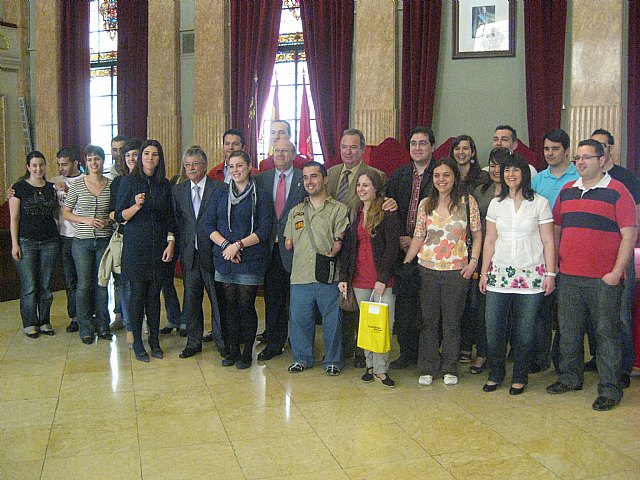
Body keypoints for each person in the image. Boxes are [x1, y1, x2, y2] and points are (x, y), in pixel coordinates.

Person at [547, 139, 637, 411]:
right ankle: (570, 377)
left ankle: (610, 389)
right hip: (569, 276)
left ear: (602, 159)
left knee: (606, 334)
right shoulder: (567, 191)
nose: (581, 162)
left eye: (588, 157)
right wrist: (557, 265)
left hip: (604, 279)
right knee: (569, 331)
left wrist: (616, 272)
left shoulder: (618, 192)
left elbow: (629, 235)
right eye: (578, 158)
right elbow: (557, 230)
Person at [479, 154, 556, 395]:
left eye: (516, 170)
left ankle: (520, 375)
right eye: (507, 170)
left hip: (531, 275)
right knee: (493, 329)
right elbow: (490, 240)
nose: (511, 175)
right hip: (498, 275)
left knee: (524, 331)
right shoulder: (496, 203)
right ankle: (495, 373)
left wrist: (551, 273)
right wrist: (483, 272)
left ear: (525, 174)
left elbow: (548, 241)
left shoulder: (540, 203)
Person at [402, 158, 482, 386]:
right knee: (428, 321)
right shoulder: (426, 203)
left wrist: (473, 262)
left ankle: (450, 366)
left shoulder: (467, 202)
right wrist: (407, 265)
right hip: (427, 269)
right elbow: (419, 236)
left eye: (446, 175)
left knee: (452, 322)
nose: (441, 180)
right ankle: (427, 366)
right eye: (437, 175)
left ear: (455, 177)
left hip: (457, 271)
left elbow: (477, 235)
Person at [204, 150, 273, 369]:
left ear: (249, 166)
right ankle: (232, 350)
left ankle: (246, 353)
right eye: (231, 166)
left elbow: (264, 230)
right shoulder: (220, 194)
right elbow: (208, 225)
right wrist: (226, 246)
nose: (235, 170)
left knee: (246, 306)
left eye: (240, 166)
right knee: (229, 306)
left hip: (250, 258)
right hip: (224, 257)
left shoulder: (260, 194)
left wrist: (238, 245)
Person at [326, 128, 389, 368]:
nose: (348, 151)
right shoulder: (329, 174)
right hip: (332, 247)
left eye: (353, 147)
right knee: (340, 301)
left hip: (361, 246)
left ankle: (363, 352)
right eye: (344, 147)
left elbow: (384, 206)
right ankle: (343, 348)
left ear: (362, 149)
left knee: (361, 303)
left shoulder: (376, 176)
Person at [585, 129, 639, 388]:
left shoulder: (626, 179)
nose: (599, 150)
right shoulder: (583, 178)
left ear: (610, 150)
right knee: (595, 313)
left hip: (618, 257)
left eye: (603, 146)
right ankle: (598, 359)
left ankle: (623, 368)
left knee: (619, 315)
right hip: (590, 259)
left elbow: (633, 222)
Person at [285, 161, 349, 375]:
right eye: (305, 177)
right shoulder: (296, 211)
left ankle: (333, 360)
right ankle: (302, 357)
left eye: (314, 176)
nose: (309, 181)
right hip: (300, 274)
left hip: (328, 275)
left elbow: (339, 240)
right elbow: (288, 242)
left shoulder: (339, 209)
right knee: (299, 320)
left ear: (325, 179)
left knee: (332, 321)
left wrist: (336, 242)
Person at [339, 169, 401, 387]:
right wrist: (344, 276)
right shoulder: (355, 212)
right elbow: (348, 248)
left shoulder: (387, 212)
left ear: (376, 188)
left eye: (366, 185)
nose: (361, 189)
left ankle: (382, 369)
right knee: (366, 325)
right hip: (359, 279)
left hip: (382, 281)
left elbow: (393, 248)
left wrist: (383, 278)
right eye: (359, 185)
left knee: (384, 325)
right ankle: (370, 365)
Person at [115, 139, 176, 362]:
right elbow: (119, 216)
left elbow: (170, 216)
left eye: (155, 154)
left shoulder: (164, 184)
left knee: (154, 296)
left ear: (160, 159)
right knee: (138, 295)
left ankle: (155, 341)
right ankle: (138, 343)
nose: (150, 158)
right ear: (140, 157)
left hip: (159, 247)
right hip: (136, 247)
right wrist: (136, 206)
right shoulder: (129, 181)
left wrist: (170, 242)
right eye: (147, 154)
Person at [386, 126, 436, 369]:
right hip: (402, 250)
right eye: (414, 143)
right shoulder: (399, 175)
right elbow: (389, 210)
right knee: (405, 306)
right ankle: (406, 354)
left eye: (423, 143)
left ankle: (428, 356)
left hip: (433, 252)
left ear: (432, 147)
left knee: (427, 306)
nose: (417, 147)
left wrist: (418, 240)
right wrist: (401, 238)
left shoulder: (441, 173)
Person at [254, 138, 307, 361]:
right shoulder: (261, 179)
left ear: (294, 155)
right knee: (273, 298)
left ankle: (299, 343)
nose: (281, 155)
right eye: (277, 151)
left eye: (285, 151)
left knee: (298, 300)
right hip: (269, 248)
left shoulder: (303, 179)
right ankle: (274, 343)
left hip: (297, 248)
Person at [531, 128, 579, 373]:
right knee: (541, 310)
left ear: (567, 151)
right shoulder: (537, 179)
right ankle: (540, 359)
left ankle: (565, 362)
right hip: (541, 251)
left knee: (567, 312)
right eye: (546, 149)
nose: (550, 153)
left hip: (570, 249)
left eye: (555, 149)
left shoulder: (578, 176)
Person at [173, 145, 226, 359]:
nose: (191, 168)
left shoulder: (219, 188)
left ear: (205, 166)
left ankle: (223, 342)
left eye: (195, 164)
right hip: (189, 255)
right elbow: (177, 222)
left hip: (213, 254)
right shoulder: (178, 190)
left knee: (218, 300)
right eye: (187, 165)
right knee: (191, 300)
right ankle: (193, 342)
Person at [463, 146, 511, 374]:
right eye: (492, 164)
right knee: (481, 308)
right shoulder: (480, 191)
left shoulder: (515, 193)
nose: (495, 169)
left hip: (508, 256)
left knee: (502, 310)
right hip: (481, 254)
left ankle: (498, 355)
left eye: (500, 165)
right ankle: (482, 353)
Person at [63, 145, 114, 344]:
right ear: (85, 162)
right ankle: (85, 326)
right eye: (90, 159)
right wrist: (87, 220)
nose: (94, 163)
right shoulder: (77, 185)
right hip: (82, 242)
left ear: (103, 161)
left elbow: (114, 213)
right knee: (84, 285)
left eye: (97, 159)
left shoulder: (111, 185)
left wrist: (107, 221)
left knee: (102, 283)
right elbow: (66, 213)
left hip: (103, 240)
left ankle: (103, 325)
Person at [9, 151, 60, 338]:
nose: (38, 169)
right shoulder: (18, 188)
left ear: (45, 166)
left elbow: (57, 213)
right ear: (29, 167)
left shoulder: (51, 188)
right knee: (29, 285)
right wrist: (15, 244)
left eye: (41, 165)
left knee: (45, 285)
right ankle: (30, 323)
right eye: (34, 165)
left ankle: (45, 320)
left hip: (50, 241)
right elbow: (14, 218)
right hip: (26, 241)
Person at [108, 138, 142, 344]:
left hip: (146, 239)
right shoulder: (118, 182)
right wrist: (125, 215)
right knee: (126, 284)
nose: (131, 159)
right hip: (125, 237)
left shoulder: (149, 179)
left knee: (143, 286)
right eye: (127, 155)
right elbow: (112, 212)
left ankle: (142, 323)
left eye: (135, 154)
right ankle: (130, 327)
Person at [51, 148, 84, 333]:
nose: (61, 168)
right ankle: (75, 316)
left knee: (86, 280)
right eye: (59, 165)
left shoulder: (84, 181)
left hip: (81, 235)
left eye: (64, 164)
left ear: (75, 163)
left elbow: (85, 206)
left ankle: (90, 313)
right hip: (64, 236)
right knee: (70, 280)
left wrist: (68, 190)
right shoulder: (55, 182)